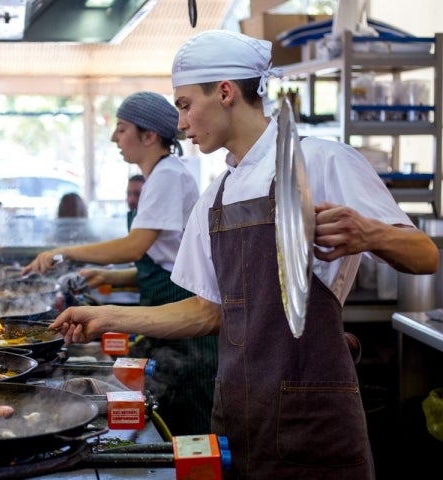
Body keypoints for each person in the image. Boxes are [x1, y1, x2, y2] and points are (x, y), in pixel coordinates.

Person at [49, 30, 440, 479]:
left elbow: (424, 256)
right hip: (237, 409)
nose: (180, 124)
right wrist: (107, 318)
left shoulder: (321, 162)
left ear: (225, 92)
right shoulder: (216, 196)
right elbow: (205, 312)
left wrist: (371, 233)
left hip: (312, 412)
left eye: (184, 104)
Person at [23, 92, 218, 436]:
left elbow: (135, 245)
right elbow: (166, 260)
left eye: (122, 128)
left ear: (150, 136)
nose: (115, 137)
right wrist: (111, 276)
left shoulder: (168, 175)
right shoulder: (160, 175)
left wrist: (65, 253)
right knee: (175, 419)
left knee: (192, 423)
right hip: (169, 309)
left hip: (187, 320)